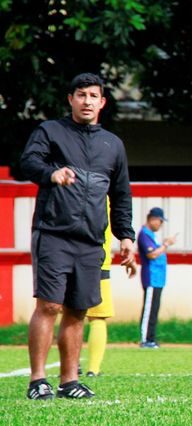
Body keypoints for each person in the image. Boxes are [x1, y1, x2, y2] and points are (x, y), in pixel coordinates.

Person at [20, 72, 135, 400]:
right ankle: (38, 379)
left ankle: (69, 381)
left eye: (93, 96)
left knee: (78, 308)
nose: (87, 101)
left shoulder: (113, 144)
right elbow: (27, 162)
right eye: (81, 95)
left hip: (90, 240)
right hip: (53, 233)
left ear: (103, 102)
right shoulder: (50, 131)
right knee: (49, 304)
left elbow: (122, 194)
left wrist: (125, 236)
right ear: (70, 99)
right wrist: (50, 173)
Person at [84, 201, 138, 376]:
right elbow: (121, 218)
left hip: (65, 257)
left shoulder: (68, 184)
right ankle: (93, 369)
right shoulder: (106, 194)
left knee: (68, 316)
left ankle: (70, 367)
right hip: (99, 261)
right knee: (97, 317)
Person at [137, 207, 176, 348]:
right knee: (149, 309)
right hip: (151, 277)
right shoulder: (144, 234)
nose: (160, 225)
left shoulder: (151, 235)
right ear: (152, 219)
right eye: (160, 221)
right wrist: (166, 245)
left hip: (158, 278)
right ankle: (145, 339)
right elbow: (152, 254)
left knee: (154, 309)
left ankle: (151, 338)